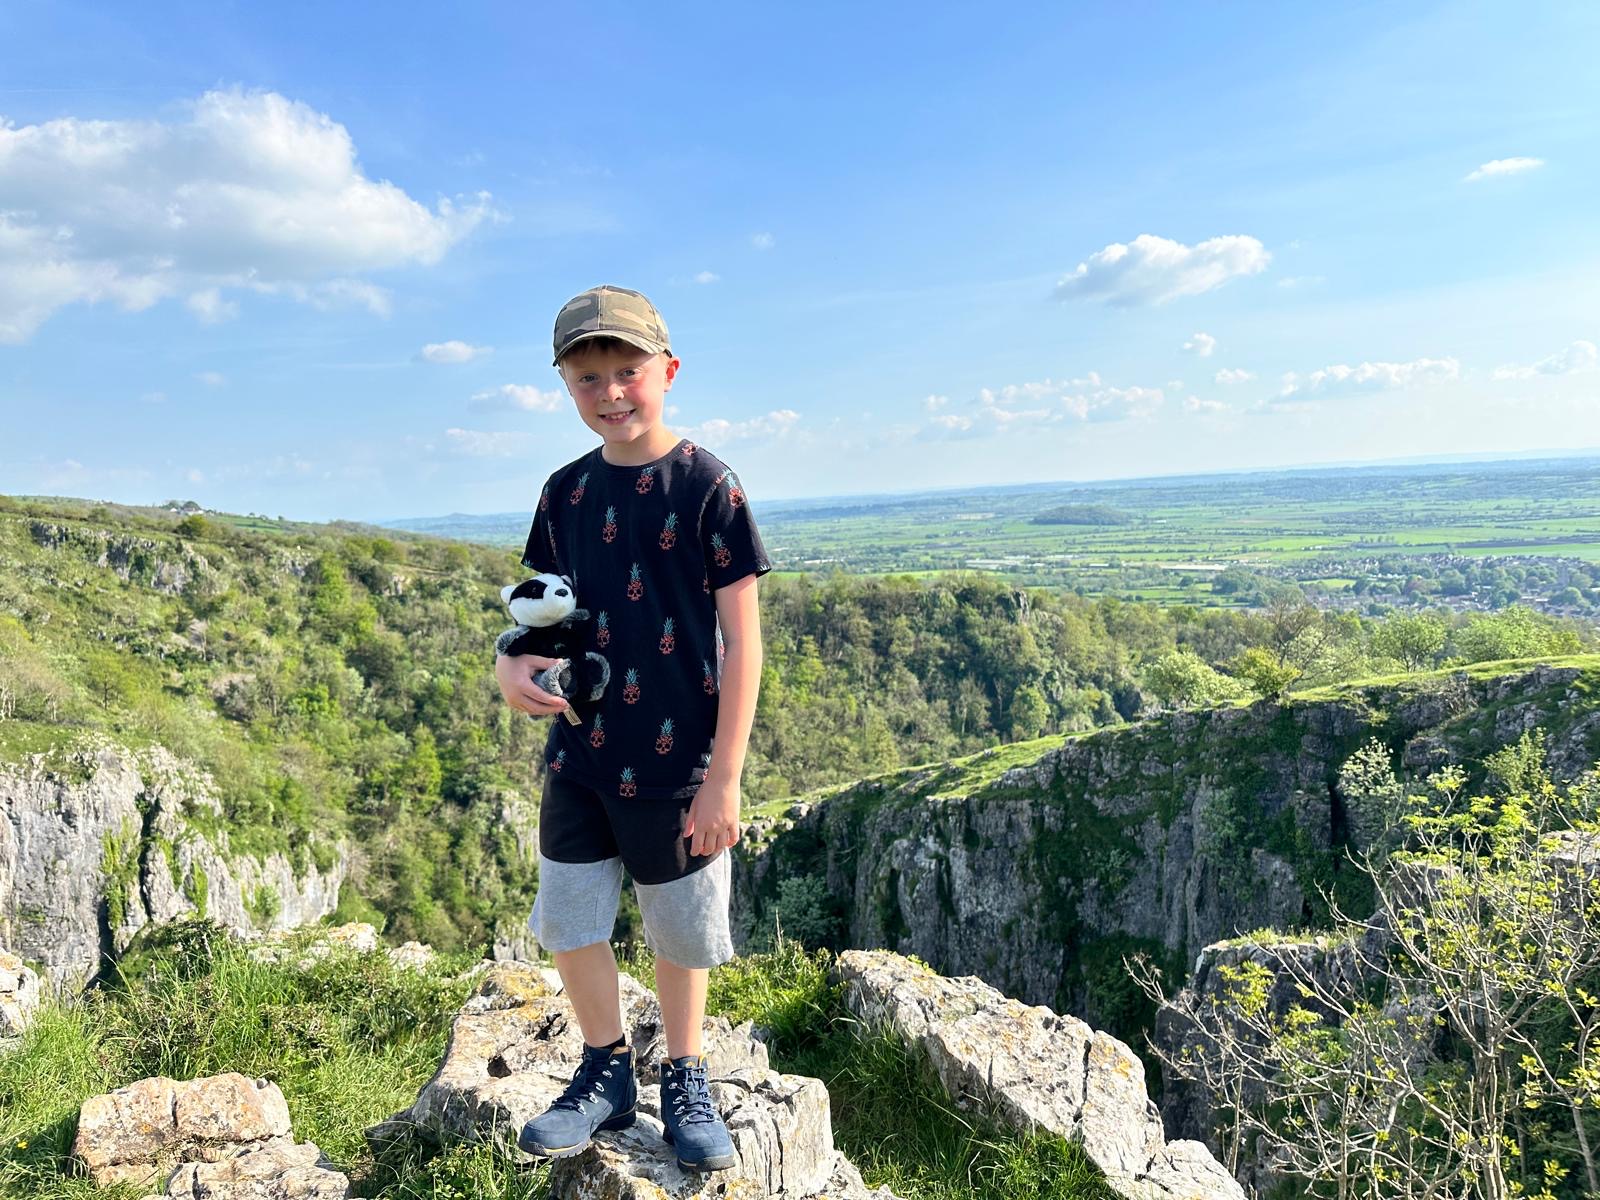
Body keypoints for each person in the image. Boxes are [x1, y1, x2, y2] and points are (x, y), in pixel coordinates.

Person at [495, 284, 770, 1171]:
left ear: (668, 372)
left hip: (679, 761)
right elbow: (548, 613)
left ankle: (685, 1075)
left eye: (627, 373)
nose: (610, 394)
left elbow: (741, 641)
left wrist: (724, 776)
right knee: (572, 919)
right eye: (588, 379)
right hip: (579, 753)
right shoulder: (565, 491)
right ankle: (606, 1070)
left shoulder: (708, 486)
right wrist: (509, 663)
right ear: (565, 387)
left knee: (679, 929)